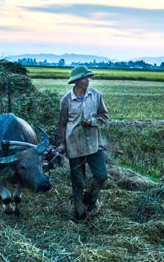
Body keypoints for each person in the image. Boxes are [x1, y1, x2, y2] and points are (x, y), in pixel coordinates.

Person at [57, 66, 109, 220]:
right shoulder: (66, 100)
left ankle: (90, 200)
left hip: (93, 144)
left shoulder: (96, 96)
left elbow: (104, 117)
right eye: (84, 78)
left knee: (101, 175)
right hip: (74, 145)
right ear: (76, 81)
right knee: (78, 181)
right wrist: (61, 144)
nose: (88, 80)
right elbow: (61, 124)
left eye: (88, 77)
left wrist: (92, 121)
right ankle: (79, 212)